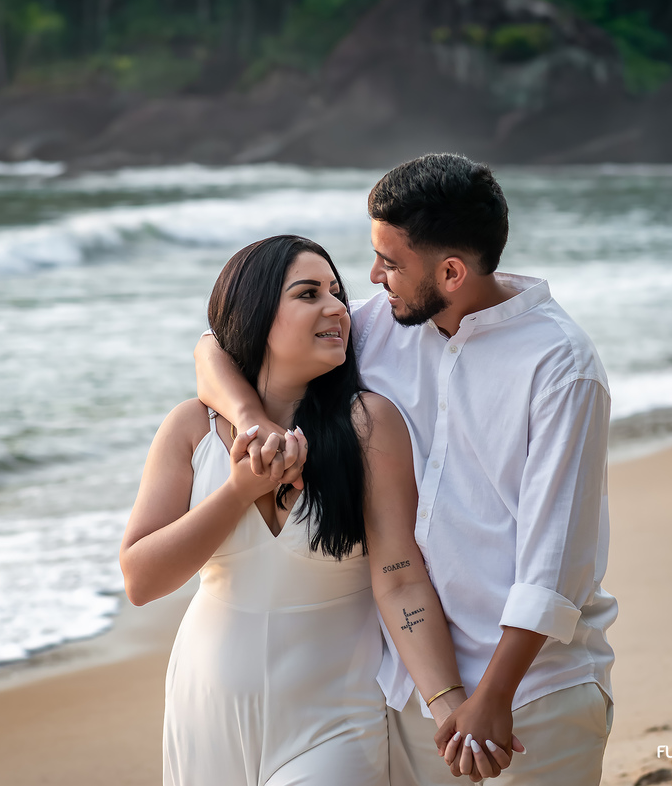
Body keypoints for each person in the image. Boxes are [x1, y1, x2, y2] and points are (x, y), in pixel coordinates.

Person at [195, 154, 617, 785]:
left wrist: (493, 698)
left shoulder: (561, 369)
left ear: (450, 272)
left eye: (389, 263)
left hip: (533, 697)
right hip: (409, 689)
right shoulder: (378, 327)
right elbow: (214, 350)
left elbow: (556, 564)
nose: (371, 276)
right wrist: (253, 419)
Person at [121, 235, 515, 786]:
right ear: (255, 312)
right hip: (204, 709)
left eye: (337, 291)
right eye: (309, 293)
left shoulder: (369, 425)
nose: (337, 308)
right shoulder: (192, 428)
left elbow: (401, 579)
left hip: (333, 717)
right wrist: (237, 489)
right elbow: (141, 579)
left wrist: (449, 706)